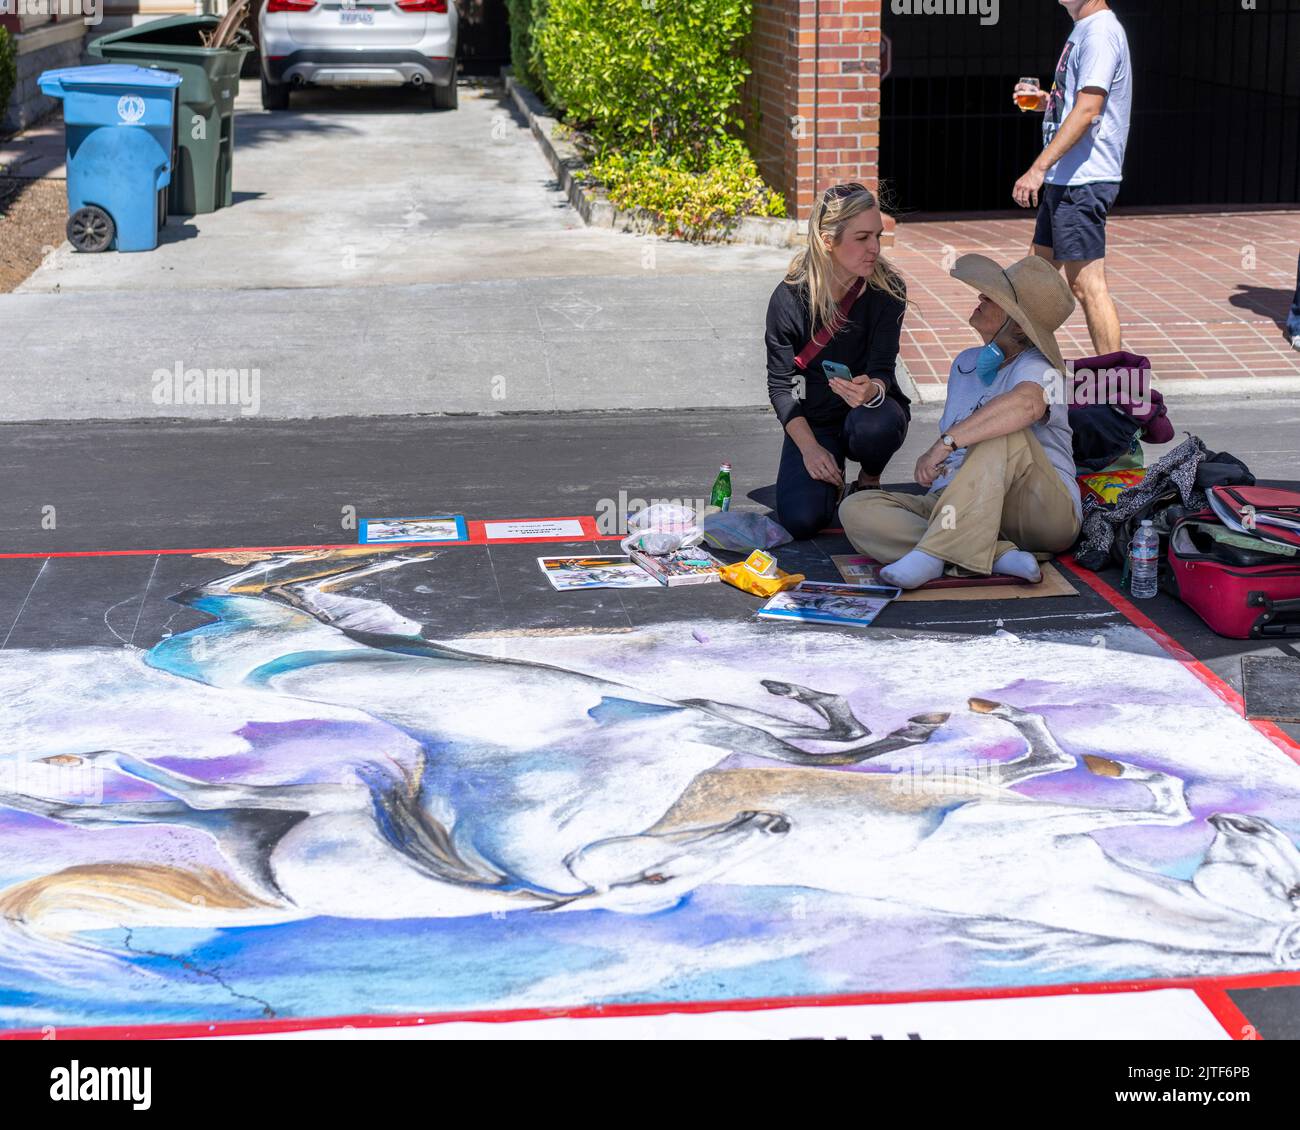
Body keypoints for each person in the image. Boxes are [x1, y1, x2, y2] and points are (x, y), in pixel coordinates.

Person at [839, 254, 1082, 590]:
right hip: (967, 511)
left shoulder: (1041, 368)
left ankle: (934, 552)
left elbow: (1026, 406)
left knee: (1003, 434)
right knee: (857, 509)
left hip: (1039, 513)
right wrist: (944, 467)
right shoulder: (965, 363)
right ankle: (994, 555)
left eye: (993, 296)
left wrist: (946, 442)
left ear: (1016, 322)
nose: (981, 297)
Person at [765, 183, 910, 541]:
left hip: (868, 413)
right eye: (862, 237)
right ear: (827, 240)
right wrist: (810, 450)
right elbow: (781, 388)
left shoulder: (887, 289)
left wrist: (872, 390)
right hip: (814, 421)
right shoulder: (788, 298)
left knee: (876, 426)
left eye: (877, 235)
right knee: (801, 519)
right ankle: (831, 477)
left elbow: (882, 370)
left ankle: (868, 481)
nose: (875, 248)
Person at [1012, 0, 1131, 356]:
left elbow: (1089, 110)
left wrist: (1038, 168)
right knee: (1034, 278)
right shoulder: (1085, 28)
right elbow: (1079, 103)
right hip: (1068, 180)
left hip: (1083, 180)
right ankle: (1017, 367)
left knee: (1087, 286)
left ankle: (1116, 386)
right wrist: (1047, 100)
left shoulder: (1100, 32)